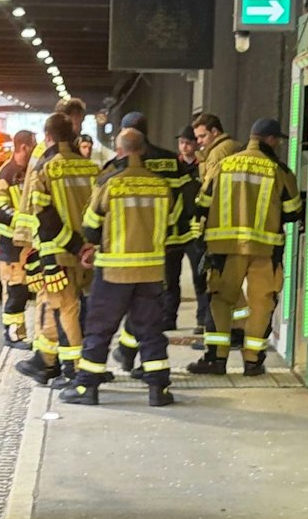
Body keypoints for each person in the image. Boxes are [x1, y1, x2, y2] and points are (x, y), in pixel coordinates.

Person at [59, 129, 176, 407]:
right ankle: (157, 389)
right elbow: (170, 227)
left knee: (100, 328)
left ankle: (87, 387)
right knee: (149, 329)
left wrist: (98, 245)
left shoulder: (110, 184)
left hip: (114, 272)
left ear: (119, 151)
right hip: (151, 271)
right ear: (143, 150)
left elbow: (91, 227)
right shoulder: (161, 186)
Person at [190, 116, 302, 375]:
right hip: (265, 250)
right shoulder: (279, 170)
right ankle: (253, 362)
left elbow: (202, 204)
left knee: (221, 301)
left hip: (224, 249)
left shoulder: (223, 165)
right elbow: (293, 212)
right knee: (261, 304)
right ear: (271, 140)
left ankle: (216, 360)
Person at [100, 113, 199, 375]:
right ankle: (136, 354)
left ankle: (128, 351)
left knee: (131, 304)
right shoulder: (171, 160)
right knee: (154, 300)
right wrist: (176, 226)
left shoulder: (117, 166)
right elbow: (188, 197)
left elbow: (98, 208)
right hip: (169, 241)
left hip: (127, 248)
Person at [15, 114, 98, 386]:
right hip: (88, 253)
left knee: (66, 308)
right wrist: (88, 246)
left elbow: (45, 216)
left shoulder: (46, 168)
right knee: (60, 306)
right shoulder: (90, 167)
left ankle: (75, 370)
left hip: (60, 251)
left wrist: (72, 244)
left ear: (48, 136)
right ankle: (46, 361)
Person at [0, 130, 37, 348]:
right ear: (24, 147)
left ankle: (19, 333)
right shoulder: (6, 174)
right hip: (11, 241)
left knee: (24, 288)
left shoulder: (28, 172)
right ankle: (12, 334)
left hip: (26, 241)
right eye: (32, 146)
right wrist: (22, 221)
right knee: (16, 289)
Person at [190, 113, 240, 337]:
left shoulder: (219, 152)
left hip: (221, 224)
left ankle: (218, 335)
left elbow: (209, 189)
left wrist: (199, 214)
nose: (198, 141)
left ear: (214, 132)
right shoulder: (230, 147)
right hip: (232, 223)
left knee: (216, 283)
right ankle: (235, 331)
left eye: (201, 136)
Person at [175, 124, 209, 336]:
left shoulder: (203, 166)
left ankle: (202, 320)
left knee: (200, 277)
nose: (184, 146)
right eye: (181, 143)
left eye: (188, 142)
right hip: (175, 229)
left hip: (195, 231)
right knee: (170, 279)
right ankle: (168, 319)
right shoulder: (173, 166)